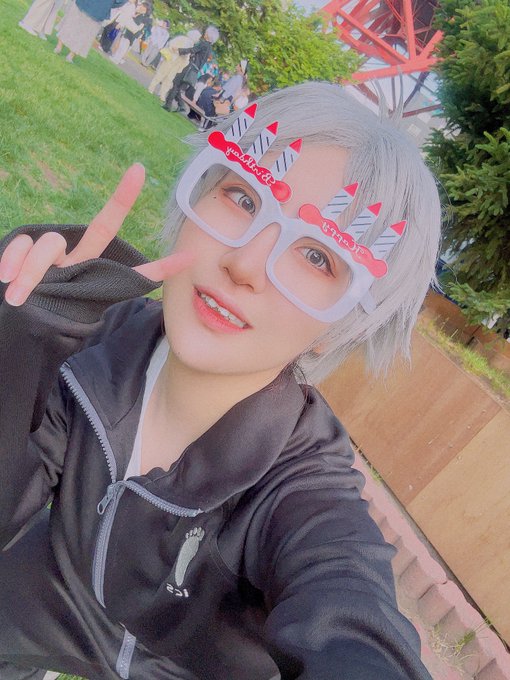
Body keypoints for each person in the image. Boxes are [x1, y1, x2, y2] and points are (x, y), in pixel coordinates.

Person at [0, 82, 441, 680]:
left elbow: (352, 614)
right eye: (243, 197)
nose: (246, 264)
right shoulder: (94, 340)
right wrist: (21, 350)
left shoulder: (303, 490)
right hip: (54, 598)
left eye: (317, 257)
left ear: (339, 325)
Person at [163, 25, 219, 113]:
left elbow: (192, 50)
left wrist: (178, 49)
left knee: (176, 83)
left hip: (190, 67)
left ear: (208, 35)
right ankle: (181, 106)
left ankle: (168, 105)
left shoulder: (204, 44)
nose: (205, 33)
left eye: (206, 32)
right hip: (194, 70)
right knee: (179, 86)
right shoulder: (209, 48)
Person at [54, 0, 126, 63]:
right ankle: (68, 54)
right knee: (84, 33)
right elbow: (119, 2)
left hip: (93, 7)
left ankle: (60, 48)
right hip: (98, 10)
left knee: (72, 24)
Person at [147, 29, 201, 103]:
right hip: (171, 59)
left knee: (169, 78)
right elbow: (172, 44)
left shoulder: (191, 44)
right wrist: (175, 50)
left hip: (178, 63)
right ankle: (151, 88)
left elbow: (187, 56)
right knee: (162, 73)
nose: (198, 40)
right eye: (198, 37)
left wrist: (184, 63)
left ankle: (162, 94)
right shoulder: (182, 38)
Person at [109, 1, 152, 66]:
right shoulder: (139, 13)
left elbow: (139, 26)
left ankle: (117, 59)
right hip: (128, 30)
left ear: (146, 9)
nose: (141, 7)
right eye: (142, 5)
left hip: (133, 34)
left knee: (124, 46)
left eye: (143, 6)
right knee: (122, 44)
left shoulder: (145, 18)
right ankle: (115, 57)